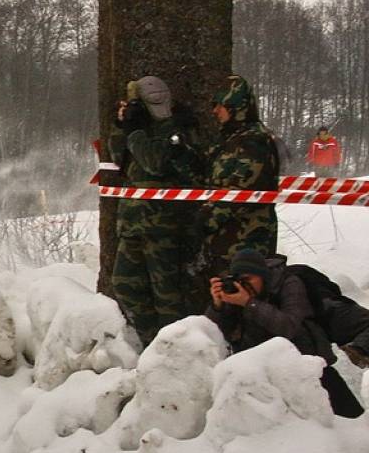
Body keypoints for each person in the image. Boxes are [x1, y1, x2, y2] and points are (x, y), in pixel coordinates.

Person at [205, 249, 363, 418]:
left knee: (352, 424)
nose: (242, 285)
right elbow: (214, 334)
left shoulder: (288, 283)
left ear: (262, 276)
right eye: (238, 280)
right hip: (262, 377)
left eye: (247, 279)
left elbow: (289, 326)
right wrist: (218, 306)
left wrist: (249, 303)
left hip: (309, 368)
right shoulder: (238, 293)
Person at [108, 76, 204, 347]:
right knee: (125, 284)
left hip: (165, 225)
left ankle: (174, 352)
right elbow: (118, 158)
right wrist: (122, 125)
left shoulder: (176, 126)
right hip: (133, 223)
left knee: (168, 297)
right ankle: (152, 345)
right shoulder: (141, 127)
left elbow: (154, 162)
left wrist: (137, 131)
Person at [201, 75, 279, 279]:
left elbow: (242, 192)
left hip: (247, 246)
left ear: (237, 107)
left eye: (221, 105)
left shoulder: (254, 142)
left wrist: (204, 220)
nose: (215, 111)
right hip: (224, 245)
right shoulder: (229, 140)